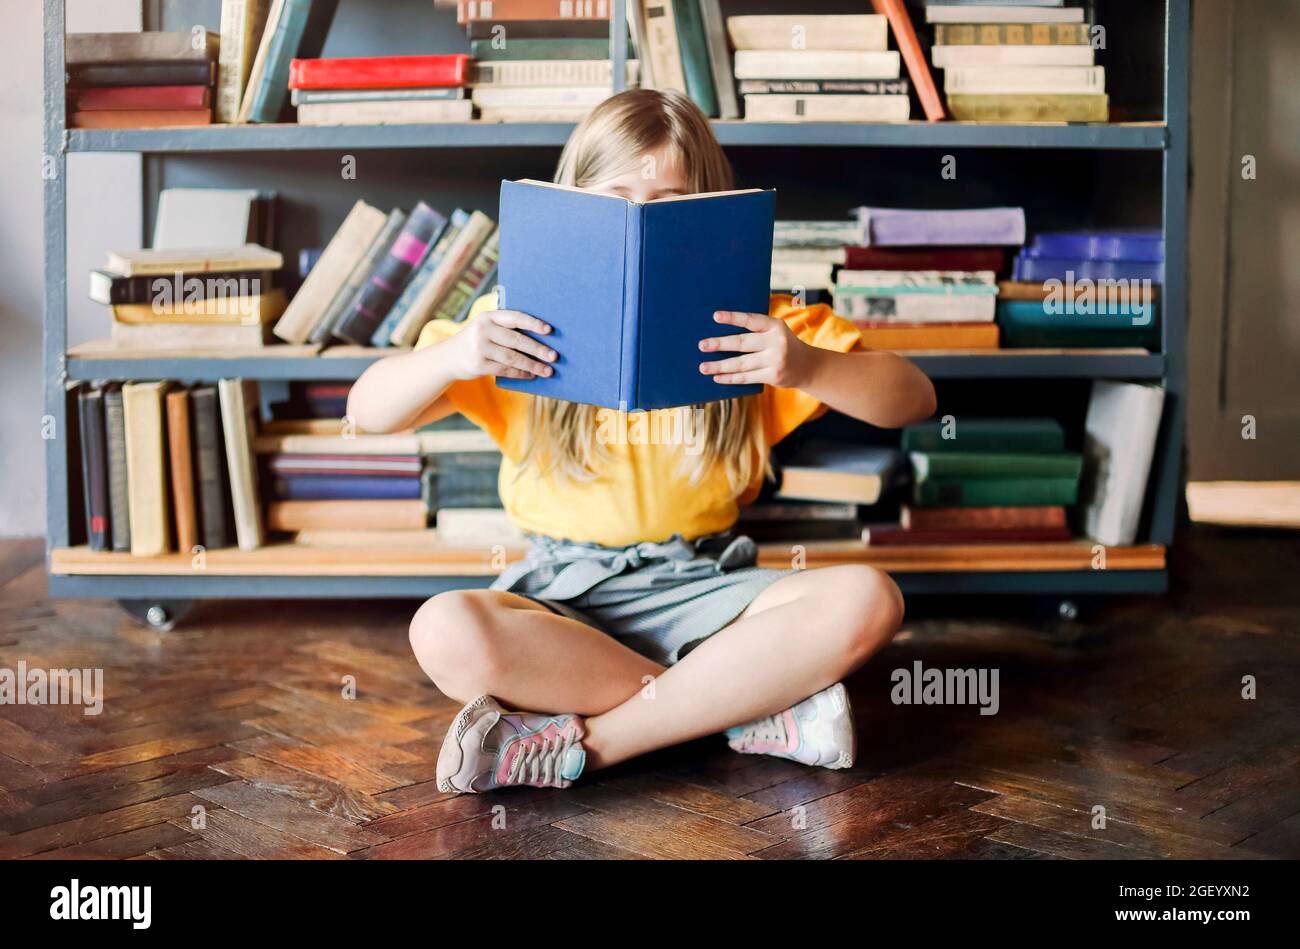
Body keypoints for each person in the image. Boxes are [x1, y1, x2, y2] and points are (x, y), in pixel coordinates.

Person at [347, 89, 936, 794]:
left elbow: (913, 398)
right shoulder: (513, 326)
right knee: (443, 628)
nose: (641, 218)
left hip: (704, 587)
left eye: (668, 201)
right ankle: (740, 705)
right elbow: (367, 410)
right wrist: (452, 357)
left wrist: (805, 364)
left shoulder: (758, 327)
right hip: (562, 596)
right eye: (619, 197)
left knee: (870, 597)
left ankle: (596, 744)